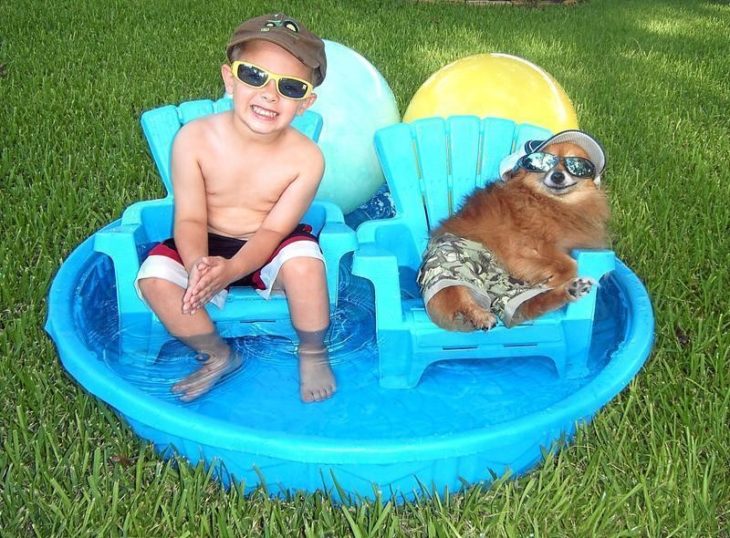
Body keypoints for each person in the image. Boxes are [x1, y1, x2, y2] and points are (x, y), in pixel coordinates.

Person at [135, 13, 334, 403]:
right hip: (202, 240)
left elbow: (274, 231)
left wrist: (233, 269)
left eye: (289, 86)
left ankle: (312, 348)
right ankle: (217, 354)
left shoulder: (306, 158)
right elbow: (190, 217)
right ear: (230, 80)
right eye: (254, 76)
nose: (269, 94)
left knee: (307, 266)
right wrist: (197, 267)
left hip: (267, 245)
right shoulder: (193, 139)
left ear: (305, 103)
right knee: (154, 279)